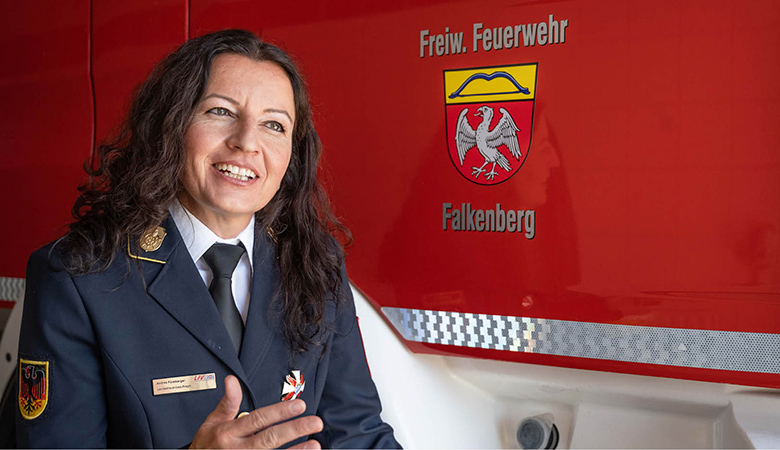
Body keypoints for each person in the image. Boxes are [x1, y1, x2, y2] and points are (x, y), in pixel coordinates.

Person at [16, 29, 400, 449]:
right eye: (220, 112)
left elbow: (357, 434)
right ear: (172, 124)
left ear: (293, 154)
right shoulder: (79, 277)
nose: (246, 142)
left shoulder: (315, 259)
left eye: (274, 125)